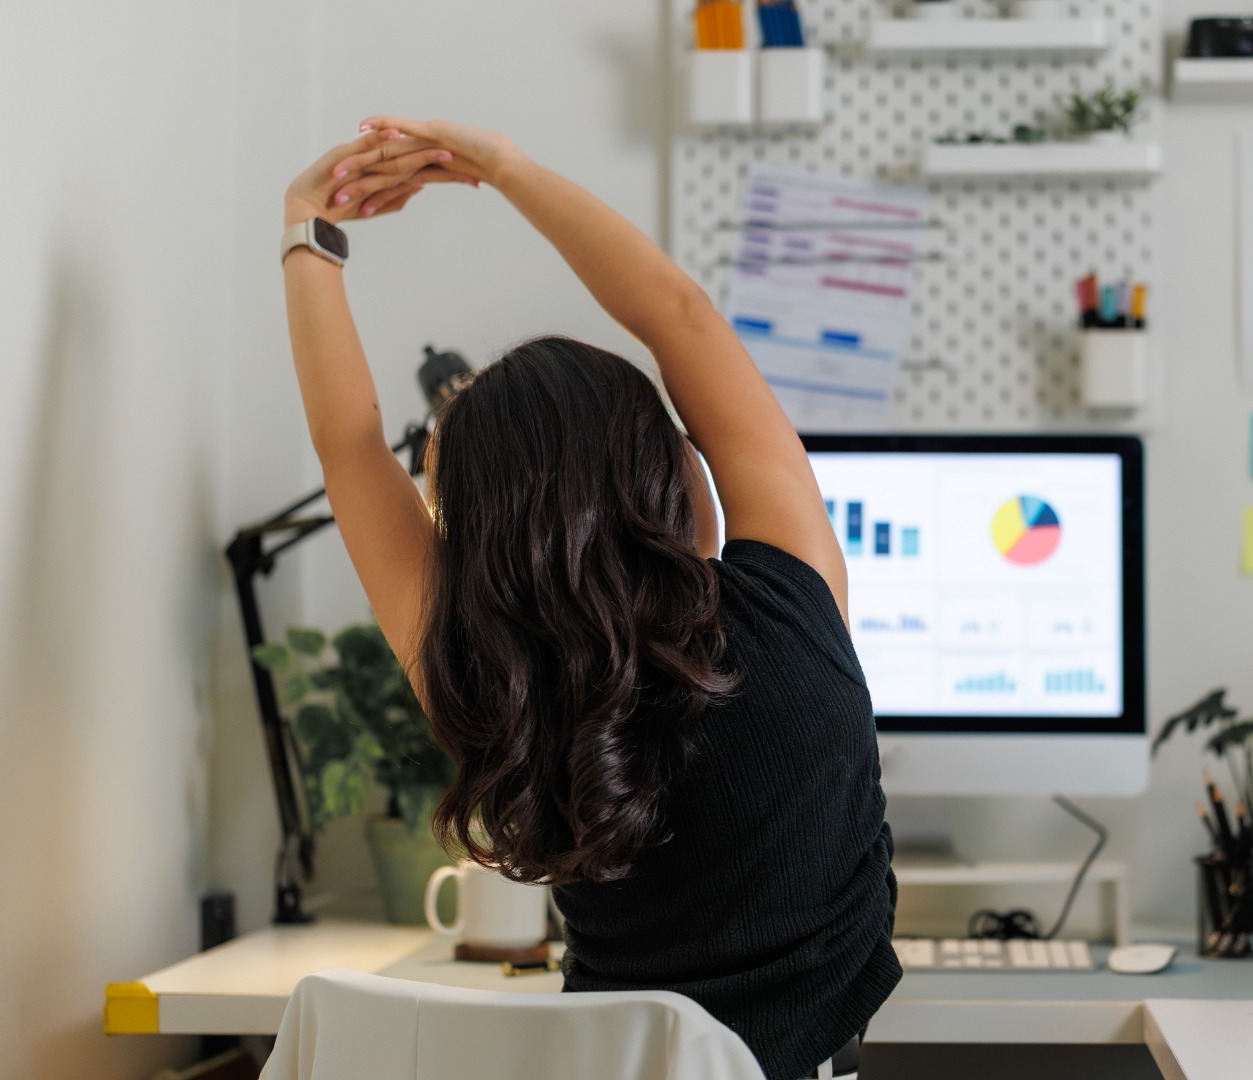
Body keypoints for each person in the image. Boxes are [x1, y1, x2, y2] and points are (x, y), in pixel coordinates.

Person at [278, 119, 898, 1080]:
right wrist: (504, 167)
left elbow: (350, 449)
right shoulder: (792, 614)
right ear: (670, 478)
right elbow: (677, 314)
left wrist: (307, 231)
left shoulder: (488, 690)